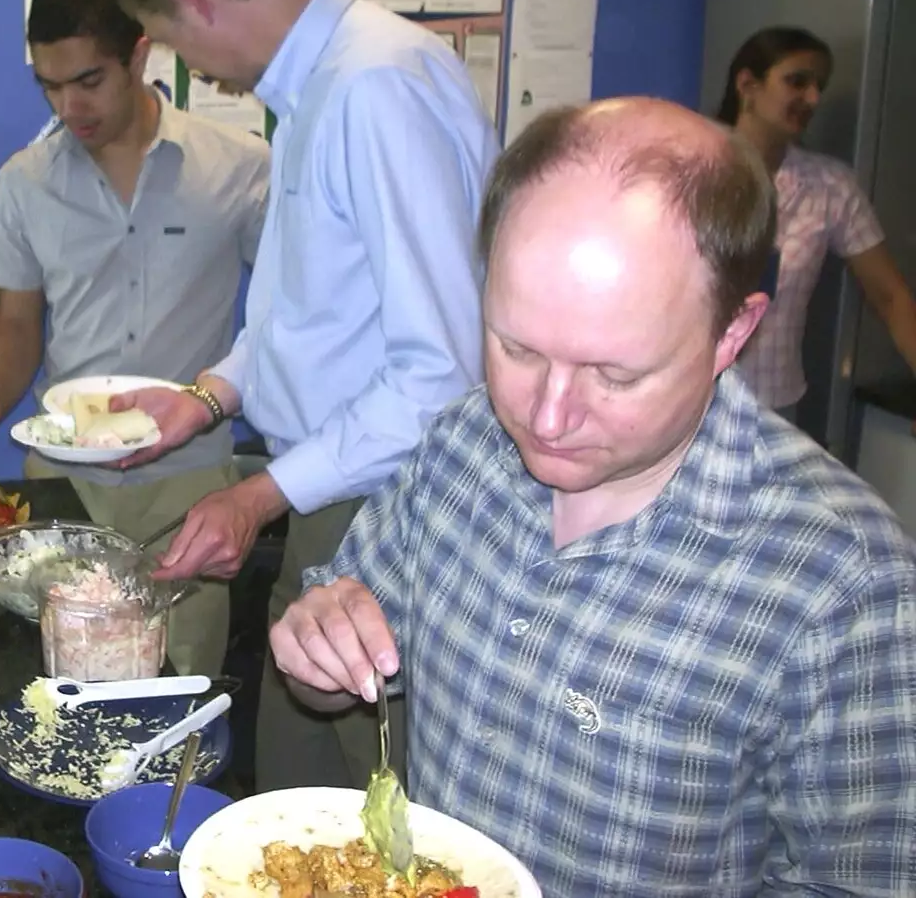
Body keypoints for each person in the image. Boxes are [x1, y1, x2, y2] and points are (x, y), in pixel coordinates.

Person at [271, 96, 916, 896]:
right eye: (515, 347)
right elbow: (333, 652)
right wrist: (319, 648)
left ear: (733, 334)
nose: (546, 417)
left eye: (615, 375)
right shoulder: (462, 446)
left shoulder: (844, 583)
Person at [111, 0, 495, 791]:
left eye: (168, 40)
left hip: (388, 510)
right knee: (293, 787)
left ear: (196, 3)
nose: (186, 67)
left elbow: (439, 379)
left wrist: (257, 497)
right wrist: (205, 398)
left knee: (372, 805)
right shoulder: (320, 84)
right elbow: (308, 314)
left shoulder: (372, 89)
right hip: (332, 491)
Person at [0, 0, 269, 677]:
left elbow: (287, 317)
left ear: (140, 54)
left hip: (189, 481)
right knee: (67, 680)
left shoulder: (238, 168)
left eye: (88, 82)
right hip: (67, 481)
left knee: (182, 688)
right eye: (50, 86)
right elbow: (18, 325)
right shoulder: (23, 182)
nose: (69, 107)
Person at [716, 26, 916, 422]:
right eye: (797, 82)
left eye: (818, 87)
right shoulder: (690, 163)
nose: (812, 98)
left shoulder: (830, 186)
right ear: (747, 84)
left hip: (772, 405)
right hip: (684, 399)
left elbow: (891, 297)